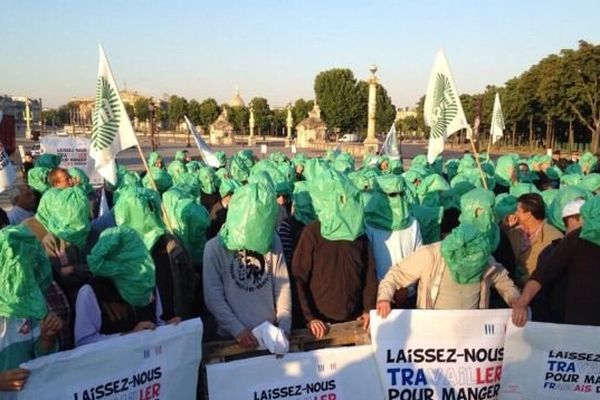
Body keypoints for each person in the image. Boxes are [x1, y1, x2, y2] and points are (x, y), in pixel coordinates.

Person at [203, 183, 291, 347]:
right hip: (231, 338)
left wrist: (284, 325)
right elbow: (213, 295)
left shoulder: (272, 241)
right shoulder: (213, 249)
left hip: (270, 333)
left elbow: (282, 284)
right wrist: (237, 330)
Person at [292, 170, 377, 339]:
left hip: (354, 322)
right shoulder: (312, 233)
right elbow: (298, 278)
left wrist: (368, 310)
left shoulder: (359, 235)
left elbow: (369, 276)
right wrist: (309, 318)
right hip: (320, 327)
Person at [377, 224, 520, 316]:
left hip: (472, 332)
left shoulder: (482, 257)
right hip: (433, 329)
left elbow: (502, 280)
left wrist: (514, 299)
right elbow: (396, 274)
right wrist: (384, 298)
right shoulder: (430, 255)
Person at [512, 196, 600, 327]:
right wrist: (522, 303)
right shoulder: (576, 239)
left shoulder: (574, 239)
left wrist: (522, 302)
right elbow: (544, 272)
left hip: (581, 322)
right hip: (583, 323)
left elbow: (543, 273)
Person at [74, 226, 167, 346]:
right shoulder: (91, 293)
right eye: (132, 266)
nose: (140, 271)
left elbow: (158, 322)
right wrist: (129, 336)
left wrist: (170, 328)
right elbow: (84, 342)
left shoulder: (147, 282)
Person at [0, 226, 63, 392]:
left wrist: (47, 338)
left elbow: (38, 357)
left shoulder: (31, 305)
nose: (21, 279)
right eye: (12, 274)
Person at [507, 193, 563, 286]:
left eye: (518, 210)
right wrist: (504, 228)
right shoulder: (514, 233)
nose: (515, 214)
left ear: (528, 214)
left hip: (540, 291)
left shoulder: (554, 237)